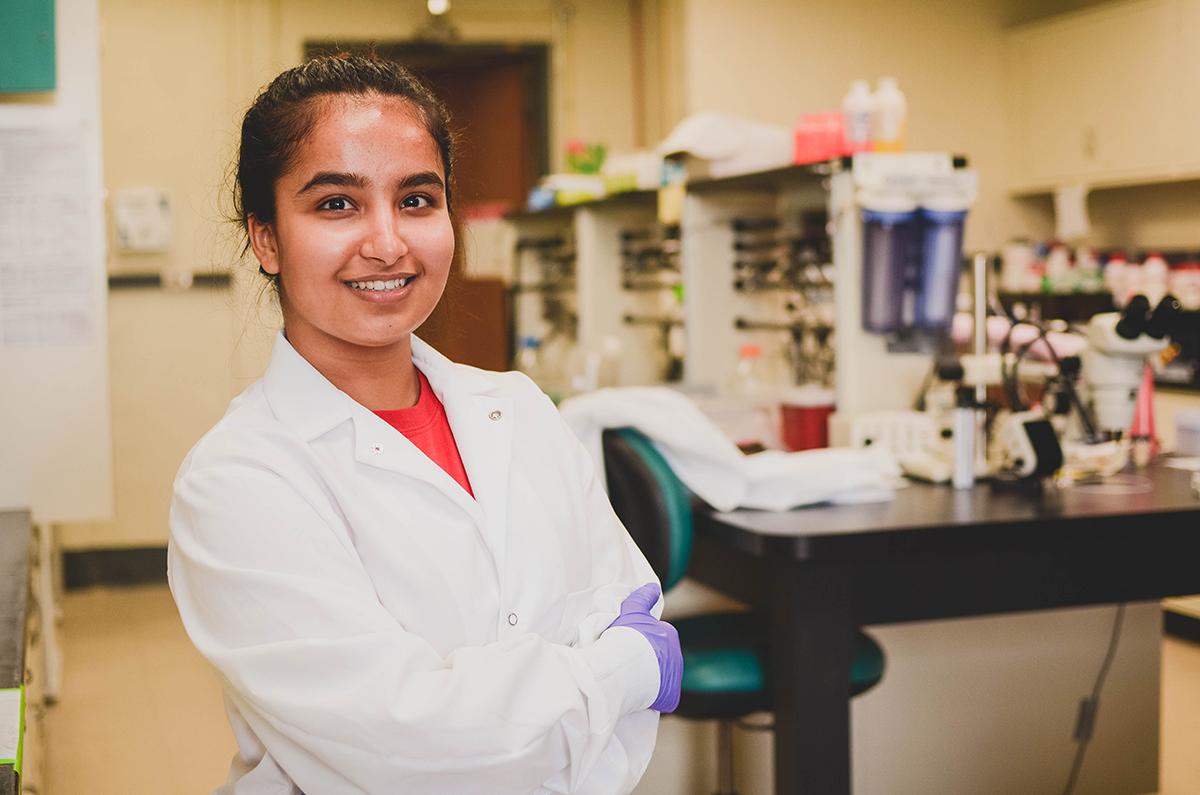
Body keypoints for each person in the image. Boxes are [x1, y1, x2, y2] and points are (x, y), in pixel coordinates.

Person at [168, 54, 682, 795]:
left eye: (416, 199)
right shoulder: (237, 480)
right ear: (267, 238)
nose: (387, 242)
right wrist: (622, 670)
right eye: (336, 204)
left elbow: (628, 629)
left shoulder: (520, 410)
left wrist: (522, 708)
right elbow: (407, 749)